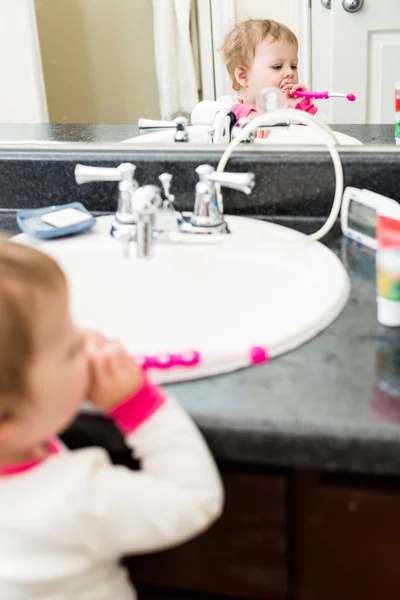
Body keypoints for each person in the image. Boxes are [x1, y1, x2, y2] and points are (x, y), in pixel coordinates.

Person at [0, 240, 224, 600]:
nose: (88, 340)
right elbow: (192, 498)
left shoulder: (19, 438)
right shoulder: (75, 498)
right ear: (6, 419)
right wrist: (138, 404)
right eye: (71, 348)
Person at [221, 18, 318, 138]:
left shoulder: (290, 111)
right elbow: (201, 110)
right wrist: (247, 114)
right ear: (243, 77)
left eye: (293, 66)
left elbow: (321, 131)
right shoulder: (228, 106)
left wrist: (302, 107)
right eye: (277, 66)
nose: (290, 72)